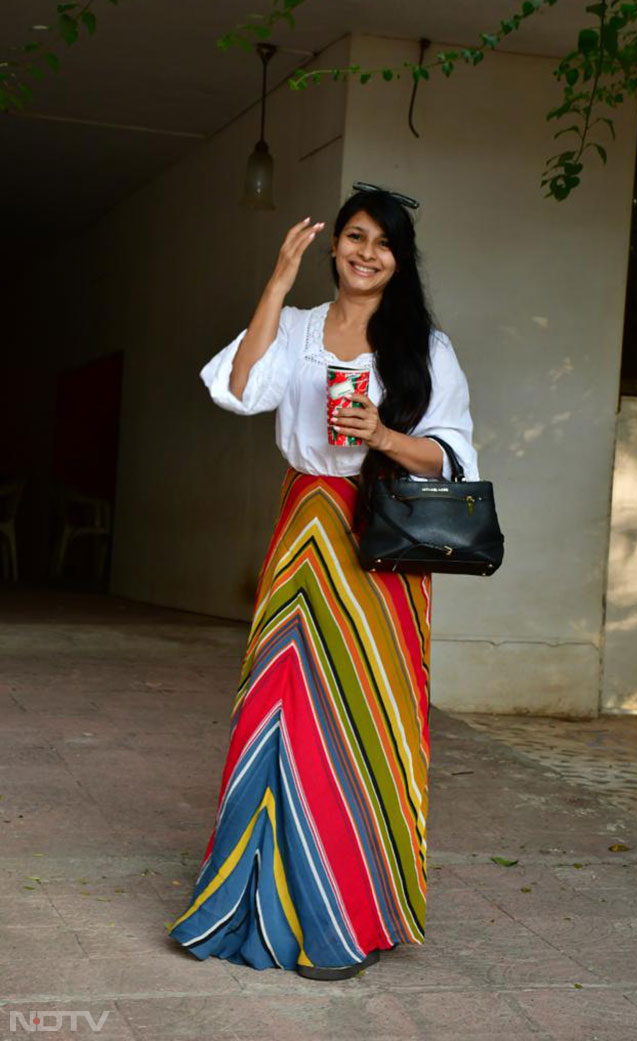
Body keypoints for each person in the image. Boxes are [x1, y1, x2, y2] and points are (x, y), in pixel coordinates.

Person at [167, 184, 479, 981]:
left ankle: (347, 912)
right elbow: (239, 388)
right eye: (353, 236)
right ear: (333, 245)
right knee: (278, 708)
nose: (365, 252)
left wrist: (382, 433)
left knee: (362, 711)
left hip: (382, 544)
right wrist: (276, 283)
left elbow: (452, 456)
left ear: (399, 259)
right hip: (304, 526)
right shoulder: (301, 327)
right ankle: (259, 896)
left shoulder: (424, 346)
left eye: (382, 242)